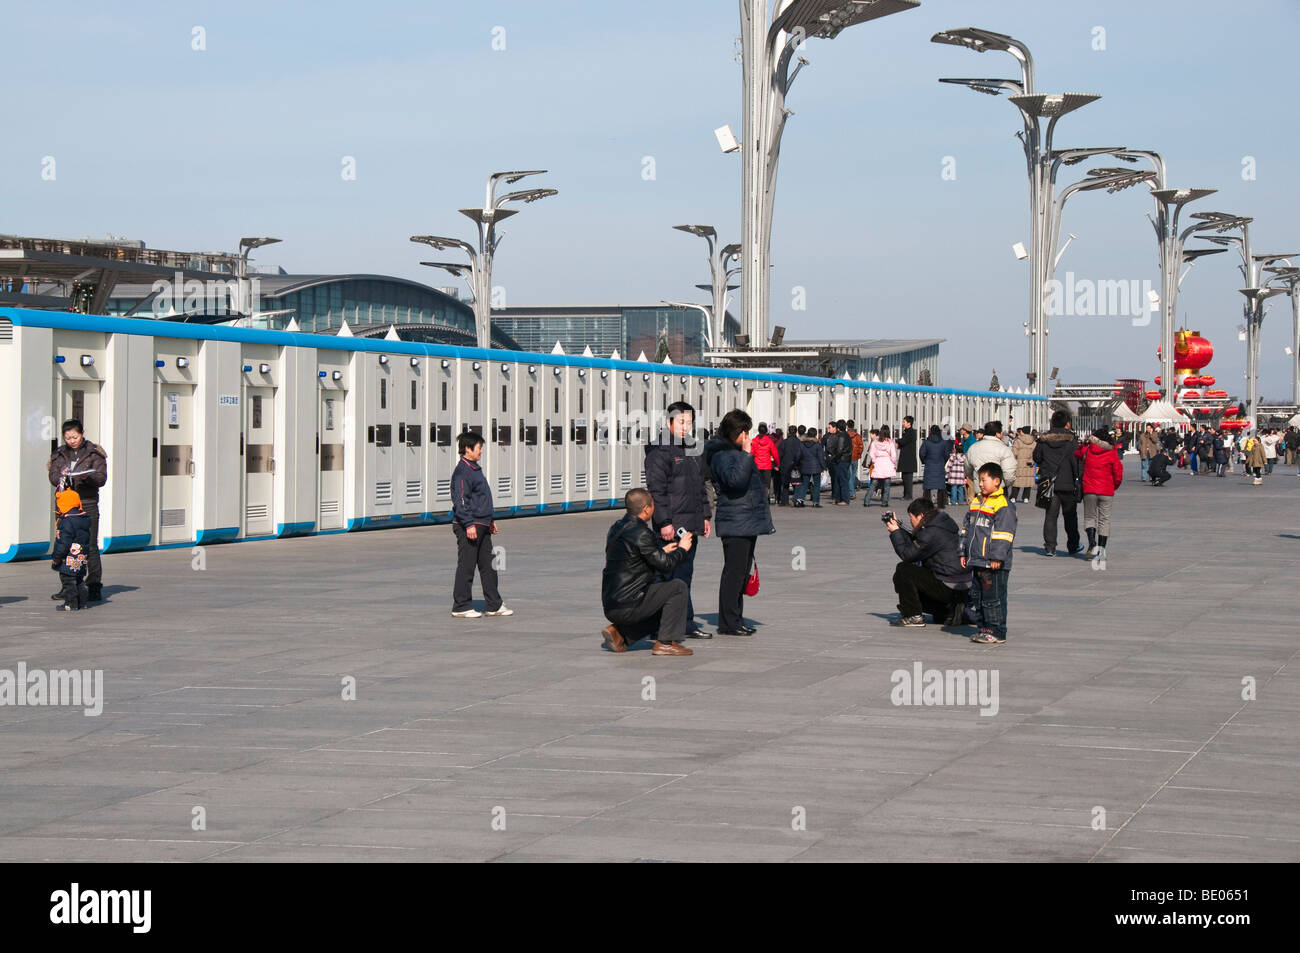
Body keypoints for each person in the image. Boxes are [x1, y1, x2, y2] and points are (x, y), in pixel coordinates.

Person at [644, 401, 714, 638]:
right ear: (668, 422)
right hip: (672, 525)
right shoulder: (659, 451)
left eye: (689, 423)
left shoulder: (694, 449)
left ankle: (682, 623)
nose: (685, 427)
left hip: (691, 524)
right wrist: (664, 522)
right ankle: (667, 624)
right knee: (668, 575)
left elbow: (701, 487)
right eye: (681, 422)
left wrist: (705, 515)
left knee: (684, 574)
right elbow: (656, 490)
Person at [600, 488, 696, 657]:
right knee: (677, 588)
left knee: (666, 606)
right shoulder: (642, 532)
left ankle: (620, 634)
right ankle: (665, 643)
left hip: (611, 602)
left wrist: (662, 551)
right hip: (628, 603)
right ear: (646, 509)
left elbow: (634, 557)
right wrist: (683, 549)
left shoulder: (617, 527)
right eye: (653, 504)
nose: (655, 508)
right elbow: (666, 566)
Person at [704, 410, 774, 636]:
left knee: (741, 572)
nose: (749, 437)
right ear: (739, 433)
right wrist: (746, 455)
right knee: (734, 573)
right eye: (746, 432)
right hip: (735, 521)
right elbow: (735, 481)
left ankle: (736, 619)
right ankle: (729, 622)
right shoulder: (723, 454)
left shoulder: (731, 452)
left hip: (745, 520)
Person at [450, 431, 513, 618]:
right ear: (468, 449)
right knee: (467, 566)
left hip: (482, 524)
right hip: (469, 525)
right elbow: (461, 500)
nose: (481, 451)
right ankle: (461, 606)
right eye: (479, 448)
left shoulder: (474, 468)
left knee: (489, 566)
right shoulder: (462, 471)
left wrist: (490, 520)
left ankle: (494, 604)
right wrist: (468, 524)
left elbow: (481, 498)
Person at [47, 419, 108, 602]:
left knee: (89, 545)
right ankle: (69, 586)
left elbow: (101, 478)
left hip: (86, 503)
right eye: (68, 437)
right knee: (65, 545)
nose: (72, 440)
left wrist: (87, 476)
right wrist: (61, 476)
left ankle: (94, 585)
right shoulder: (59, 453)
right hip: (66, 505)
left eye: (75, 436)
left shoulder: (94, 453)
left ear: (83, 433)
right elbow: (52, 475)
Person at [886, 497, 972, 627]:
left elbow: (908, 555)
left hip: (949, 585)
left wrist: (895, 532)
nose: (911, 521)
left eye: (911, 518)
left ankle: (913, 616)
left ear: (920, 515)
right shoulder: (941, 524)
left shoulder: (931, 532)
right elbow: (917, 544)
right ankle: (951, 610)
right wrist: (899, 528)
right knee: (913, 577)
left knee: (904, 570)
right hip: (962, 586)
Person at [960, 463, 1016, 645]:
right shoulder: (977, 501)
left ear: (997, 481)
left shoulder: (1002, 504)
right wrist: (962, 551)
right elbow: (966, 529)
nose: (981, 484)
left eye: (984, 480)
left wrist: (997, 557)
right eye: (979, 480)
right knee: (979, 596)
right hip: (977, 560)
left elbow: (1003, 534)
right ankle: (983, 628)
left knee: (994, 597)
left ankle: (996, 630)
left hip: (993, 563)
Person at [1033, 409, 1082, 557]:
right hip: (1067, 484)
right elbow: (1076, 463)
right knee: (1070, 516)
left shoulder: (1044, 440)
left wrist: (1046, 465)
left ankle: (1050, 547)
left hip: (1049, 483)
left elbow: (1036, 457)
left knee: (1050, 516)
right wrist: (1077, 478)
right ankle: (1073, 545)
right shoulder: (1071, 441)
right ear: (1067, 423)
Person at [1075, 427, 1123, 559]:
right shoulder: (1112, 453)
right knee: (1104, 520)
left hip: (1089, 489)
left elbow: (1077, 453)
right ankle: (1101, 550)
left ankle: (1091, 543)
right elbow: (1118, 472)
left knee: (1090, 517)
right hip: (1107, 490)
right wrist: (1114, 486)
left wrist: (1085, 443)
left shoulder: (1087, 450)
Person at [50, 489, 91, 611]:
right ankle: (82, 603)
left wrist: (56, 558)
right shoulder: (83, 519)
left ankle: (71, 603)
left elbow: (63, 543)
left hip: (67, 558)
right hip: (81, 557)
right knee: (79, 580)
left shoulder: (67, 521)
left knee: (68, 581)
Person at [965, 420, 1019, 490]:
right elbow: (1009, 472)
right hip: (997, 488)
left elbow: (968, 469)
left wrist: (976, 479)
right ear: (997, 434)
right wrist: (1004, 484)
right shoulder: (1004, 449)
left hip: (980, 488)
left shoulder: (973, 448)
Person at [918, 424, 950, 508]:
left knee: (928, 487)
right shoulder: (943, 442)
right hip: (940, 465)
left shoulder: (927, 442)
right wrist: (943, 461)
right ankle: (941, 504)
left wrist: (924, 461)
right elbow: (947, 454)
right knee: (941, 486)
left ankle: (927, 504)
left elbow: (921, 453)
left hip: (929, 465)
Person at [866, 425, 899, 508]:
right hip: (887, 464)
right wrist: (893, 463)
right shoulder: (890, 442)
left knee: (873, 484)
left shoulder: (875, 442)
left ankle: (867, 501)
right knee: (887, 485)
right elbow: (894, 455)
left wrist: (874, 461)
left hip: (878, 463)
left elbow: (871, 453)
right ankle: (884, 502)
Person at [749, 422, 780, 503]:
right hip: (767, 465)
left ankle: (757, 497)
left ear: (758, 431)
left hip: (757, 464)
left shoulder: (754, 441)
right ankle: (766, 497)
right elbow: (775, 453)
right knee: (766, 483)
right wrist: (778, 463)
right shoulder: (769, 441)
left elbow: (751, 453)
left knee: (757, 482)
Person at [795, 427, 825, 507]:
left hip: (805, 466)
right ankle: (815, 502)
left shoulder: (802, 444)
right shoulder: (817, 445)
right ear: (815, 435)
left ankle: (800, 499)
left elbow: (798, 455)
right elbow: (820, 457)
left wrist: (797, 464)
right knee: (816, 485)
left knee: (804, 484)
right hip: (816, 466)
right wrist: (824, 467)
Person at [777, 424, 804, 507]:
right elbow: (802, 454)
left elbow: (780, 454)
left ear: (788, 431)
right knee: (796, 483)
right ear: (796, 432)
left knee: (785, 484)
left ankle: (784, 501)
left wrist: (778, 464)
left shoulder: (784, 442)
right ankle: (796, 499)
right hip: (796, 465)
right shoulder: (799, 442)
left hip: (785, 464)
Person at [1011, 426, 1037, 503]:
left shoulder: (1018, 441)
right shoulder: (1034, 442)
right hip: (1030, 463)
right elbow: (1036, 453)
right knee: (1028, 480)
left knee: (1017, 480)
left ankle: (1013, 497)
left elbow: (1014, 453)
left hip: (1019, 463)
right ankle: (1026, 497)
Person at [897, 416, 918, 500]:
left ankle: (908, 495)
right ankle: (906, 494)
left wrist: (898, 441)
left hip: (909, 459)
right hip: (906, 458)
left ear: (909, 423)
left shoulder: (911, 432)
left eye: (904, 422)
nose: (903, 424)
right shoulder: (907, 431)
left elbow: (903, 441)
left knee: (908, 478)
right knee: (904, 477)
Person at [846, 420, 864, 501]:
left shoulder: (845, 435)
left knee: (849, 476)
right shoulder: (858, 436)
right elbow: (861, 447)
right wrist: (858, 455)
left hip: (847, 458)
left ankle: (852, 493)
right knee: (853, 475)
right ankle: (852, 490)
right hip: (855, 458)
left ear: (847, 426)